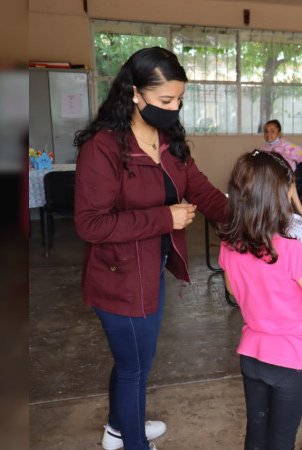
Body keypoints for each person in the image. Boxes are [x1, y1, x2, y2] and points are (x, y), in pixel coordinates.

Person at [73, 47, 228, 450]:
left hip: (151, 271)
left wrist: (255, 219)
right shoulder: (103, 148)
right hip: (117, 279)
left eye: (179, 100)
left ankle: (117, 429)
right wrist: (165, 218)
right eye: (165, 100)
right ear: (134, 93)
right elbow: (91, 225)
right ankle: (133, 442)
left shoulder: (169, 142)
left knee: (135, 363)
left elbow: (205, 193)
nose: (174, 108)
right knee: (134, 367)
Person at [216, 150, 302, 449]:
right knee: (281, 440)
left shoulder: (229, 244)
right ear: (280, 194)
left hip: (251, 356)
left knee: (256, 431)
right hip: (290, 363)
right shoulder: (291, 252)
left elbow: (237, 293)